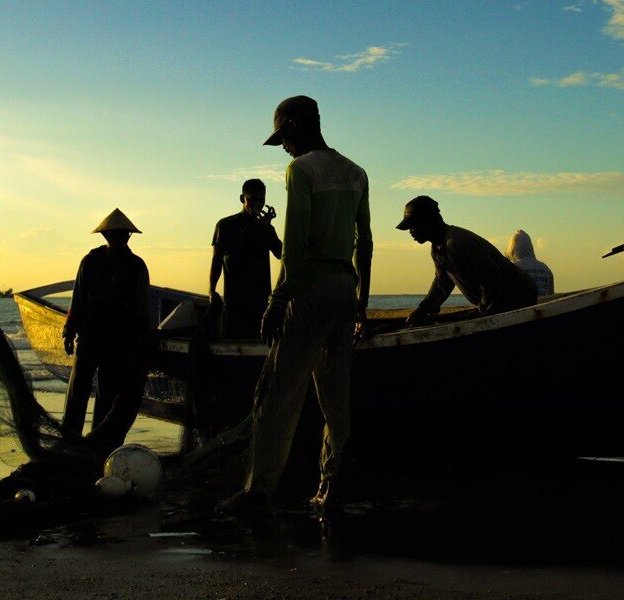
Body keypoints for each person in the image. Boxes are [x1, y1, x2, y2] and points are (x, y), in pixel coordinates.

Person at [217, 96, 372, 518]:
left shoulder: (300, 170)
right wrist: (361, 303)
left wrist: (276, 301)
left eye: (282, 136)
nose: (283, 145)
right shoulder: (356, 172)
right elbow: (366, 243)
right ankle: (330, 486)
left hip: (310, 291)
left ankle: (258, 492)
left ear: (294, 126)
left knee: (275, 393)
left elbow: (296, 247)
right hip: (345, 288)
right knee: (336, 401)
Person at [61, 208, 153, 452]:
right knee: (78, 392)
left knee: (107, 395)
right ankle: (70, 442)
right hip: (91, 337)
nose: (118, 238)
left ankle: (97, 445)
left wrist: (141, 339)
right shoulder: (90, 261)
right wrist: (69, 329)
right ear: (108, 235)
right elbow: (78, 298)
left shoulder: (136, 266)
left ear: (127, 236)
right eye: (115, 234)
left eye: (121, 234)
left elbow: (143, 308)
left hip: (119, 341)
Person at [398, 196, 537, 328]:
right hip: (503, 300)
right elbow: (442, 283)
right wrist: (423, 309)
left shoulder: (456, 243)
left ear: (428, 221)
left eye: (414, 226)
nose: (411, 232)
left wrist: (482, 313)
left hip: (519, 297)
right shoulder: (437, 249)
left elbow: (492, 279)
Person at [210, 179, 283, 339]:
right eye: (253, 199)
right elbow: (217, 260)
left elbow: (281, 254)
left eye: (261, 200)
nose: (257, 204)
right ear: (242, 198)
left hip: (261, 302)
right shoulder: (226, 225)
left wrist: (267, 230)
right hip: (235, 302)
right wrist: (211, 290)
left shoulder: (266, 229)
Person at [506, 229, 554, 297]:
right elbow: (551, 296)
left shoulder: (513, 269)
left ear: (513, 248)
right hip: (543, 307)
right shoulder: (546, 269)